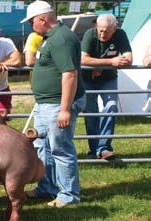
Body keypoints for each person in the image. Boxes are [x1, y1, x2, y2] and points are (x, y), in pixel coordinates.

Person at [20, 0, 86, 208]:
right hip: (47, 103)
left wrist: (65, 109)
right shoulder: (50, 37)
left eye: (32, 22)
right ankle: (47, 187)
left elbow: (69, 74)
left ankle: (68, 194)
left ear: (42, 19)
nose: (32, 26)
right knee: (43, 146)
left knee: (60, 147)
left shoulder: (61, 39)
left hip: (58, 104)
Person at [81, 14, 132, 160]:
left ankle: (104, 148)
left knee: (111, 107)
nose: (102, 34)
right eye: (100, 30)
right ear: (96, 27)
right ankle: (94, 149)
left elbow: (128, 58)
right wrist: (108, 63)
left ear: (115, 28)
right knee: (91, 113)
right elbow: (83, 59)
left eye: (106, 31)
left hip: (108, 79)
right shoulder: (90, 34)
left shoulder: (121, 34)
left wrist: (99, 64)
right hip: (88, 79)